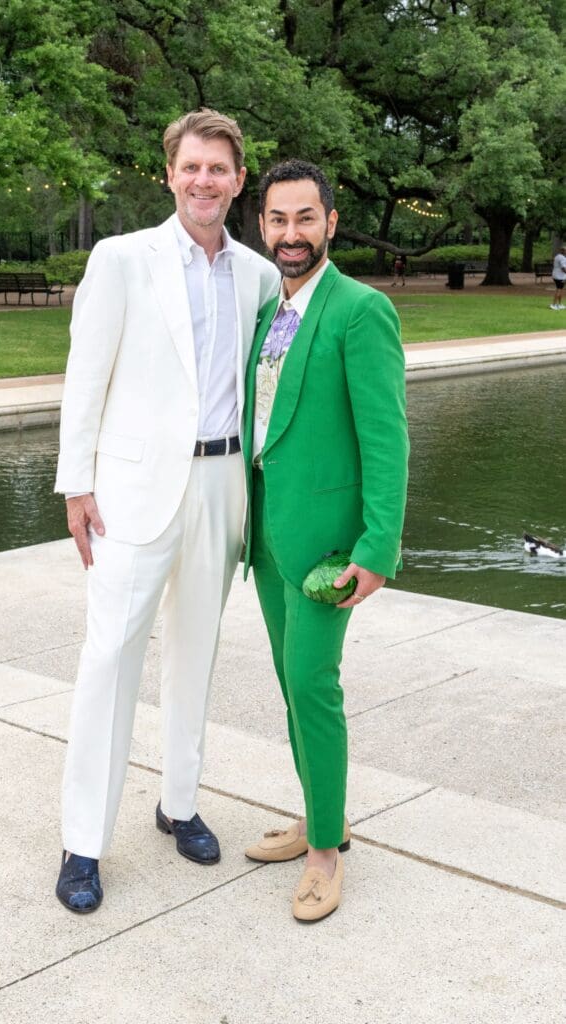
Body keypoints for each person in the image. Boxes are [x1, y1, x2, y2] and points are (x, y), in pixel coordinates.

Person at [53, 109, 279, 913]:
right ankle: (83, 841)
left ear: (238, 180)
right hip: (130, 493)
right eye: (191, 167)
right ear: (170, 174)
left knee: (196, 653)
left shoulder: (256, 276)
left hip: (222, 489)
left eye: (219, 168)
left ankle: (178, 803)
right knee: (109, 658)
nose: (204, 180)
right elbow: (86, 376)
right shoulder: (121, 260)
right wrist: (75, 484)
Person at [241, 160, 408, 922]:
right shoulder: (266, 312)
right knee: (289, 682)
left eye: (304, 218)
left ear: (330, 223)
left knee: (313, 686)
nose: (290, 234)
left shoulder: (359, 308)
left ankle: (323, 855)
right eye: (277, 220)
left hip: (327, 548)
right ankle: (318, 816)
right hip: (267, 538)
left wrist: (377, 548)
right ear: (263, 225)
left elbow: (386, 437)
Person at [550, 245, 566, 309]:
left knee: (560, 289)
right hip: (560, 276)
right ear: (563, 251)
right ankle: (553, 304)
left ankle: (559, 304)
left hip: (556, 275)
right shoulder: (563, 258)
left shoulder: (557, 256)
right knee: (559, 290)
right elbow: (563, 268)